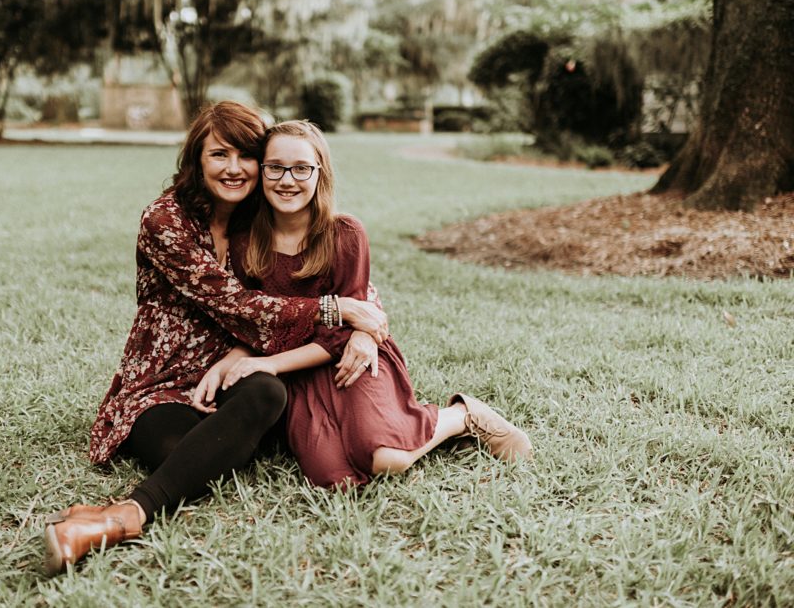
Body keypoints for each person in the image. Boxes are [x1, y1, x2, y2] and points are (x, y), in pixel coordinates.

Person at [43, 102, 387, 574]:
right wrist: (336, 310)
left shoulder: (260, 214)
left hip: (242, 367)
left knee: (268, 395)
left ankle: (126, 514)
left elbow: (351, 279)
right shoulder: (166, 221)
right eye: (218, 155)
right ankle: (128, 514)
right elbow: (235, 305)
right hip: (166, 380)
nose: (234, 169)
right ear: (196, 160)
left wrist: (366, 332)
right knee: (192, 451)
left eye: (246, 155)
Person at [208, 120, 532, 489]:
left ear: (320, 173)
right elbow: (253, 318)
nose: (287, 180)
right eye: (275, 167)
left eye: (301, 168)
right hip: (298, 376)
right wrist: (240, 360)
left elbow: (340, 333)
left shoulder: (344, 233)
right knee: (337, 479)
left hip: (351, 357)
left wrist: (268, 364)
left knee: (386, 458)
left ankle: (461, 416)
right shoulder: (245, 240)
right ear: (262, 170)